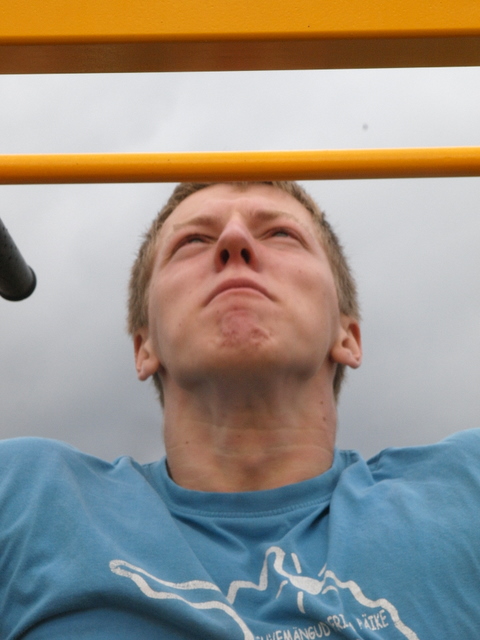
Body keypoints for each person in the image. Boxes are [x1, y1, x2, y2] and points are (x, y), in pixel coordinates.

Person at [1, 181, 479, 639]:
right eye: (192, 241)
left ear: (348, 336)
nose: (234, 241)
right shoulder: (28, 496)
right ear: (144, 347)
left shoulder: (464, 487)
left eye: (281, 234)